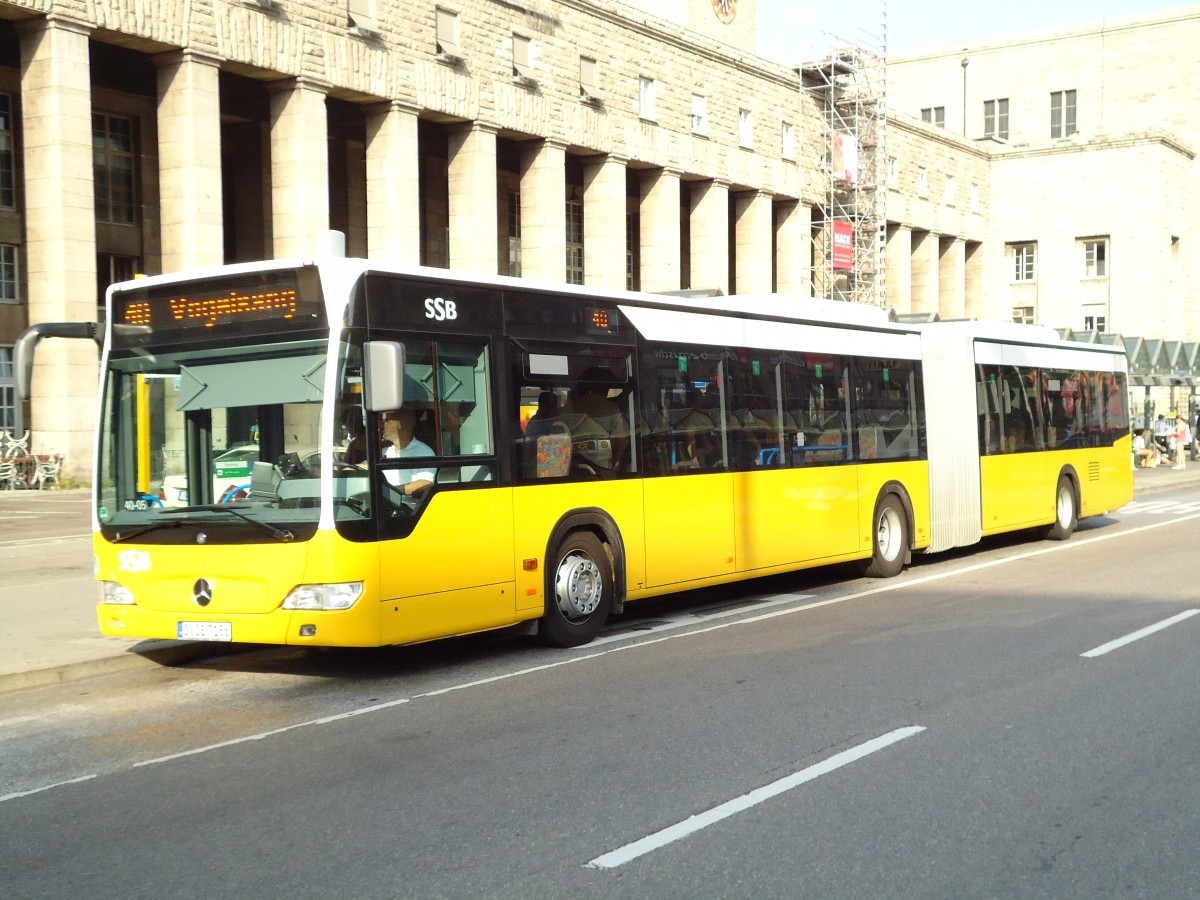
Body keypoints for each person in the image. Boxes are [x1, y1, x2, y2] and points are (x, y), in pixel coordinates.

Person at [380, 407, 435, 496]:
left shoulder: (423, 451)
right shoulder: (385, 451)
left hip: (408, 505)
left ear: (400, 425)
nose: (382, 425)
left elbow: (425, 483)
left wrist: (389, 492)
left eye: (387, 421)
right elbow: (367, 466)